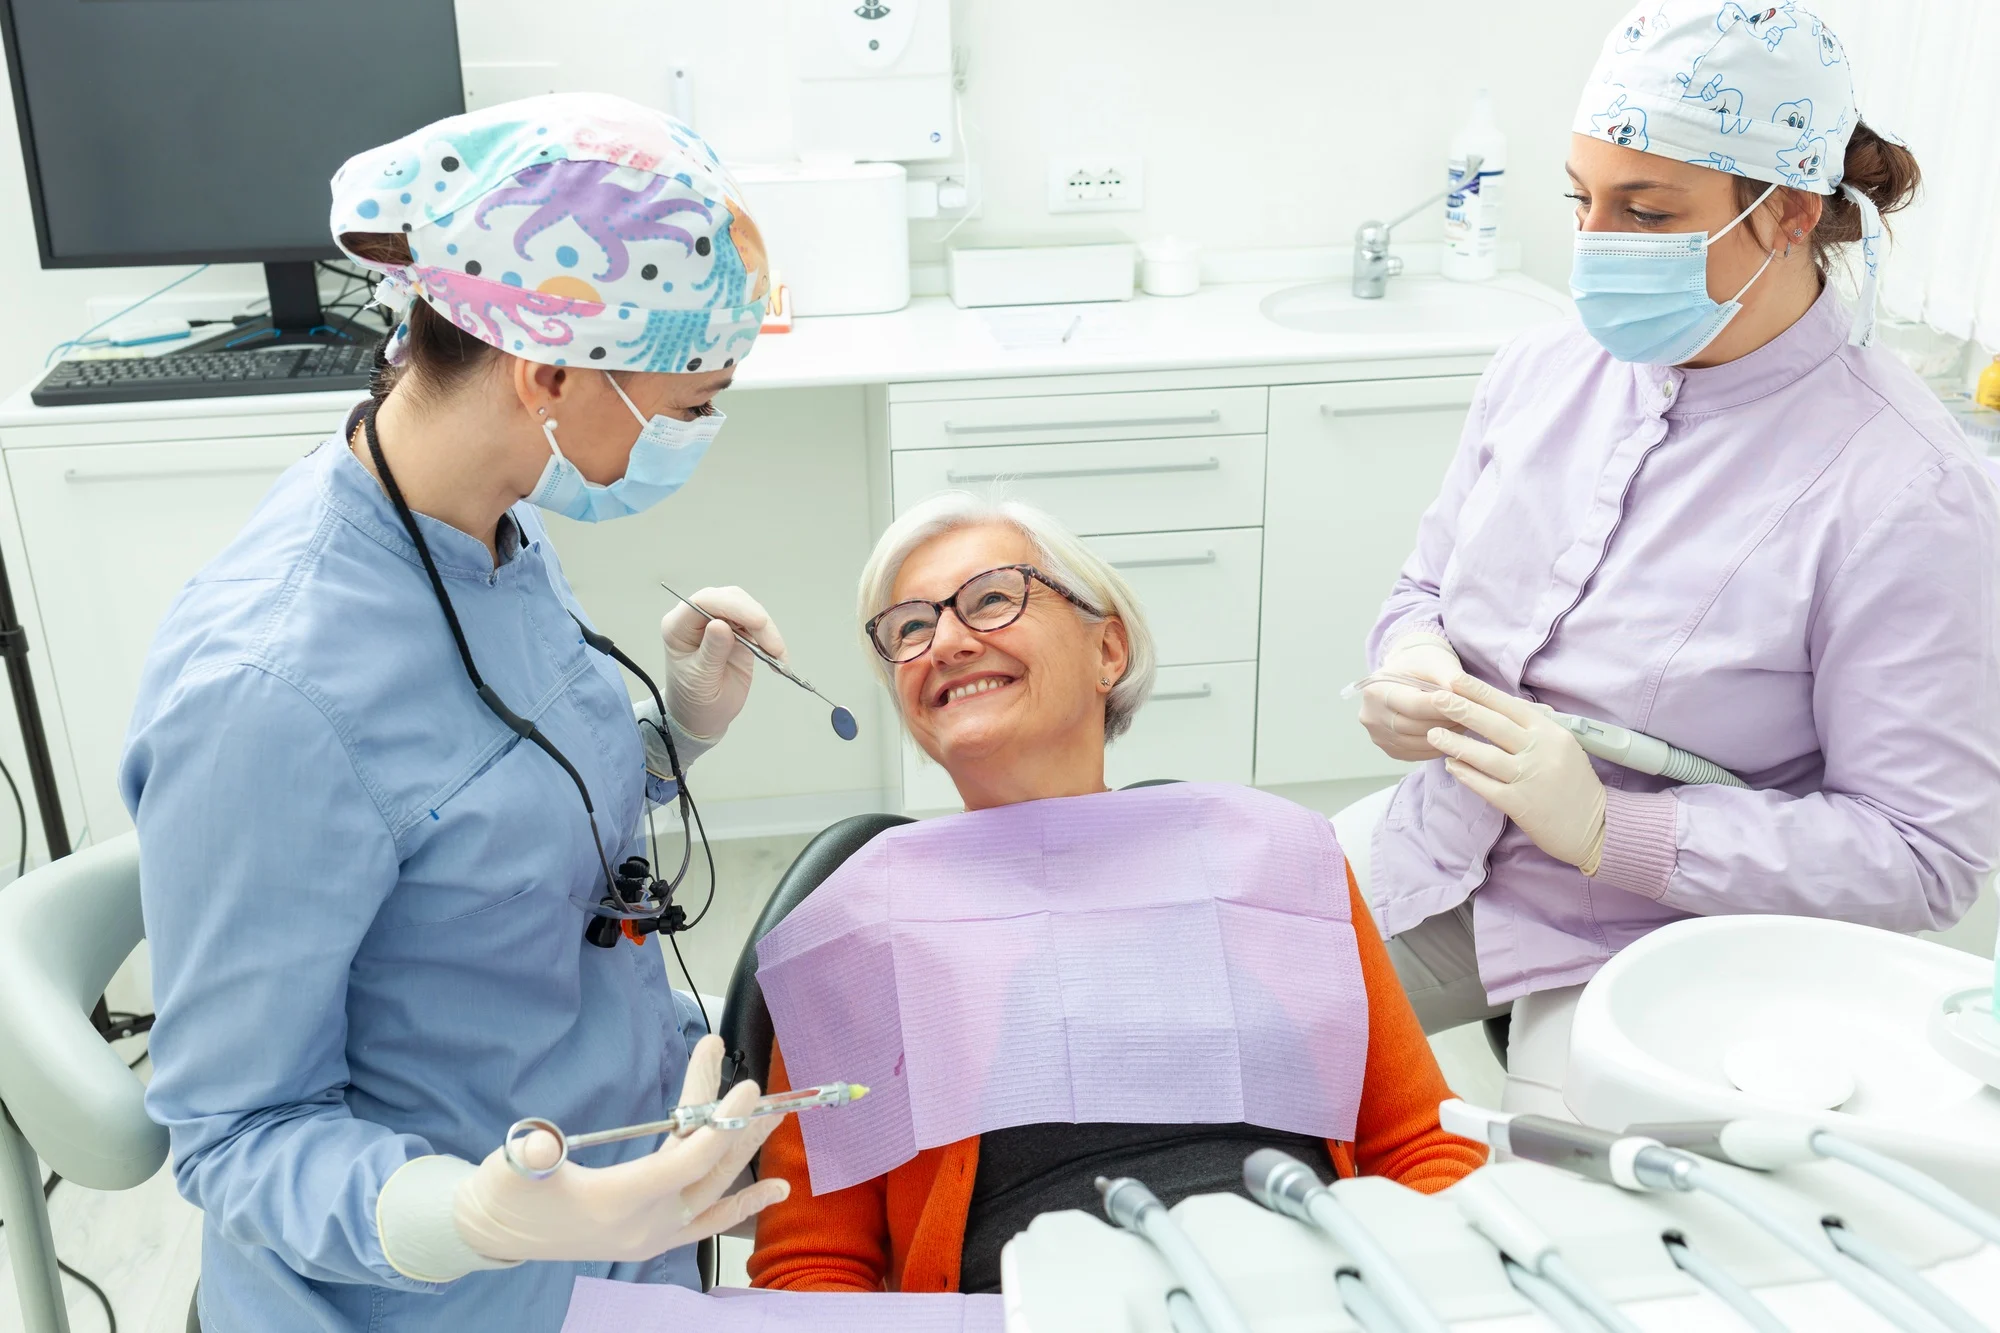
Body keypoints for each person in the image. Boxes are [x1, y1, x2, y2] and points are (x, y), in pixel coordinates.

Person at [122, 95, 794, 1331]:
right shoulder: (267, 692)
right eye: (690, 401)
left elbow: (465, 817)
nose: (698, 428)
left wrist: (672, 736)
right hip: (435, 1293)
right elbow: (234, 1135)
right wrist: (474, 1218)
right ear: (544, 372)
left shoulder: (489, 521)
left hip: (622, 1214)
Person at [1354, 0, 2000, 1114]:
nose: (1596, 244)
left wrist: (1618, 829)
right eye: (1582, 201)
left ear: (1788, 210)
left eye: (1645, 214)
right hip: (1441, 838)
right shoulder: (1545, 366)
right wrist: (1409, 661)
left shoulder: (1906, 495)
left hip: (1653, 940)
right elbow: (1423, 587)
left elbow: (1921, 857)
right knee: (1188, 996)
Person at [746, 493, 1485, 1295]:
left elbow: (1422, 1147)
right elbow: (814, 1267)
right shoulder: (858, 929)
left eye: (992, 597)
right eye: (909, 629)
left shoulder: (1273, 863)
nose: (947, 642)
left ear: (1109, 648)